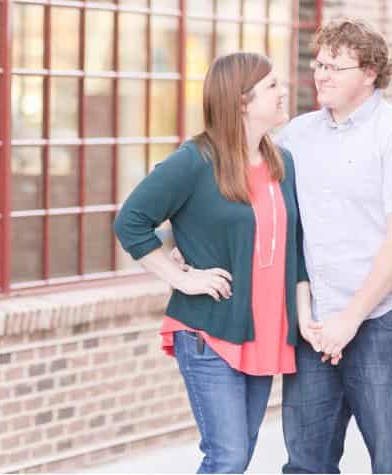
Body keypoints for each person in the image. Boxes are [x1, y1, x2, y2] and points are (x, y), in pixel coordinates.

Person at [113, 52, 312, 474]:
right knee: (228, 457)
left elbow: (294, 252)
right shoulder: (195, 160)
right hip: (209, 333)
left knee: (239, 456)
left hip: (265, 333)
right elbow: (131, 221)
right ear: (242, 101)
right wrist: (179, 278)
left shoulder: (283, 163)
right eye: (273, 85)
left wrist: (305, 317)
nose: (283, 93)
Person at [276, 19, 392, 474]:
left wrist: (351, 317)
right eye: (318, 63)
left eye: (335, 66)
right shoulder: (295, 136)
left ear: (369, 72)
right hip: (317, 327)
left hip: (387, 321)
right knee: (306, 464)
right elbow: (269, 217)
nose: (320, 75)